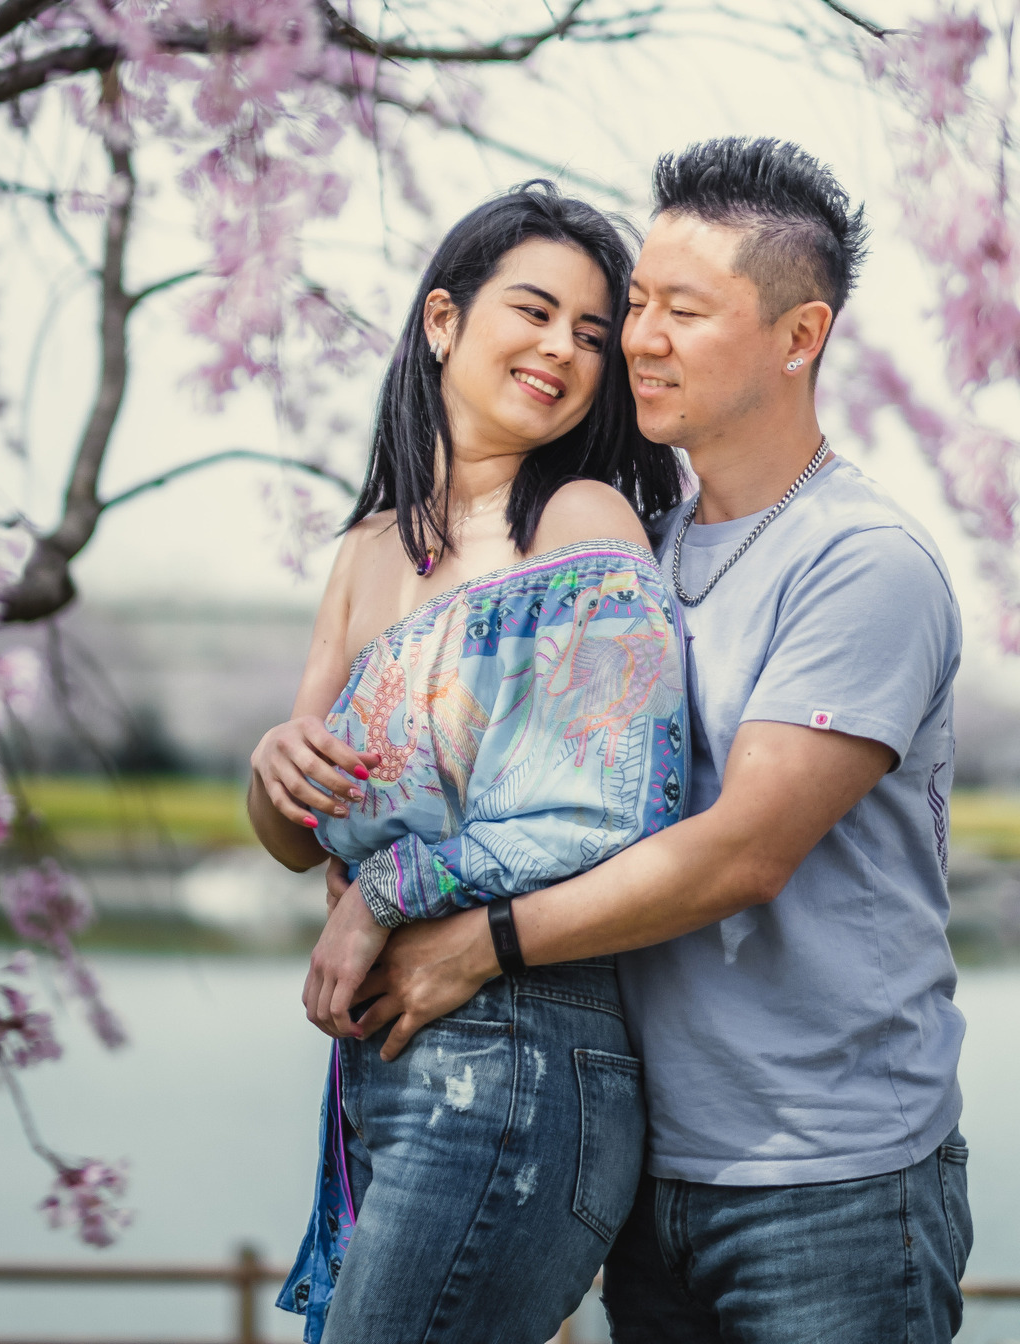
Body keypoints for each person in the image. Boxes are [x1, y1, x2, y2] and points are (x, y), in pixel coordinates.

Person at [311, 136, 971, 1344]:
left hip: (826, 1180)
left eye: (682, 309)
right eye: (639, 308)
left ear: (795, 337)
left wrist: (476, 946)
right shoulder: (637, 547)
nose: (636, 339)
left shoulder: (857, 563)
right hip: (655, 1173)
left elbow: (738, 855)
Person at [248, 181, 691, 1344]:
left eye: (590, 336)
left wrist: (385, 894)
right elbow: (300, 835)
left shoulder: (582, 520)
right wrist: (270, 764)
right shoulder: (363, 551)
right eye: (534, 312)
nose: (562, 350)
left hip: (521, 1058)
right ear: (442, 320)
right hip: (387, 1076)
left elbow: (619, 811)